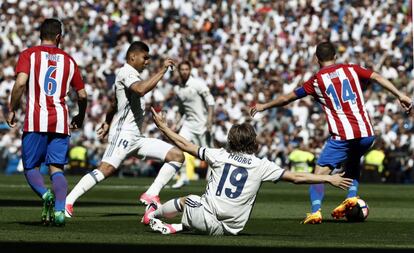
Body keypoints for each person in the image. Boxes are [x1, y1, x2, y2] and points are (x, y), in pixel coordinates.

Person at [250, 41, 413, 224]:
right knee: (352, 163)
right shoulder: (352, 69)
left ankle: (316, 211)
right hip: (367, 133)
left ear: (316, 59)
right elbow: (377, 77)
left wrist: (264, 106)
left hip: (343, 136)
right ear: (335, 56)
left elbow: (287, 98)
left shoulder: (316, 80)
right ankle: (351, 197)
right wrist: (400, 95)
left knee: (319, 174)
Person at [140, 107, 353, 235]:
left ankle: (152, 214)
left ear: (231, 140)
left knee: (188, 199)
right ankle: (176, 228)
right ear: (253, 142)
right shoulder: (261, 165)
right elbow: (297, 177)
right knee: (198, 212)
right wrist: (328, 179)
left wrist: (164, 128)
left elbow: (185, 145)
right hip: (232, 228)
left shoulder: (219, 155)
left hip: (207, 217)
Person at [65, 41, 185, 218]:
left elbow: (114, 103)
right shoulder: (126, 72)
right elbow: (141, 90)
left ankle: (151, 193)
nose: (147, 61)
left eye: (149, 58)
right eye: (145, 57)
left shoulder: (129, 74)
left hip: (136, 137)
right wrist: (162, 70)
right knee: (106, 169)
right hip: (123, 134)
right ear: (132, 56)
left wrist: (106, 122)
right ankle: (67, 201)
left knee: (177, 155)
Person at [6, 18, 88, 226]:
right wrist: (80, 116)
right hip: (60, 121)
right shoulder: (69, 60)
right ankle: (60, 211)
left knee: (31, 167)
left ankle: (45, 195)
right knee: (57, 169)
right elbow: (83, 95)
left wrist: (12, 108)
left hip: (35, 121)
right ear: (59, 37)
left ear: (40, 34)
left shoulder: (29, 55)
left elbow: (20, 84)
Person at [170, 61, 215, 189]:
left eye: (186, 69)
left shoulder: (197, 84)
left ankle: (213, 180)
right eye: (182, 69)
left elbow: (211, 101)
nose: (184, 71)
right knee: (179, 147)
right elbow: (181, 110)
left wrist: (210, 120)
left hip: (202, 124)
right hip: (188, 124)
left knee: (209, 154)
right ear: (179, 71)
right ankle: (183, 177)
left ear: (190, 70)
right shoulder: (178, 89)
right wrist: (176, 123)